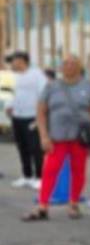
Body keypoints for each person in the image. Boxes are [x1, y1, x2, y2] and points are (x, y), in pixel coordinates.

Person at [23, 55, 90, 221]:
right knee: (50, 170)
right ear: (61, 68)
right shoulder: (51, 87)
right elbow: (41, 112)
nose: (68, 66)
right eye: (65, 63)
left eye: (73, 63)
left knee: (78, 171)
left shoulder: (88, 86)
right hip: (57, 137)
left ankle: (73, 204)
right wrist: (44, 136)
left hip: (80, 137)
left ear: (79, 66)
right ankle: (42, 206)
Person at [5, 50, 47, 190]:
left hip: (32, 116)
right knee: (22, 147)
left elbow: (44, 94)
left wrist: (41, 113)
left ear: (22, 61)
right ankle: (27, 175)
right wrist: (9, 106)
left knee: (35, 147)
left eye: (14, 60)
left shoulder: (36, 74)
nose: (12, 63)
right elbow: (14, 94)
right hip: (17, 116)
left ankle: (40, 177)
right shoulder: (15, 77)